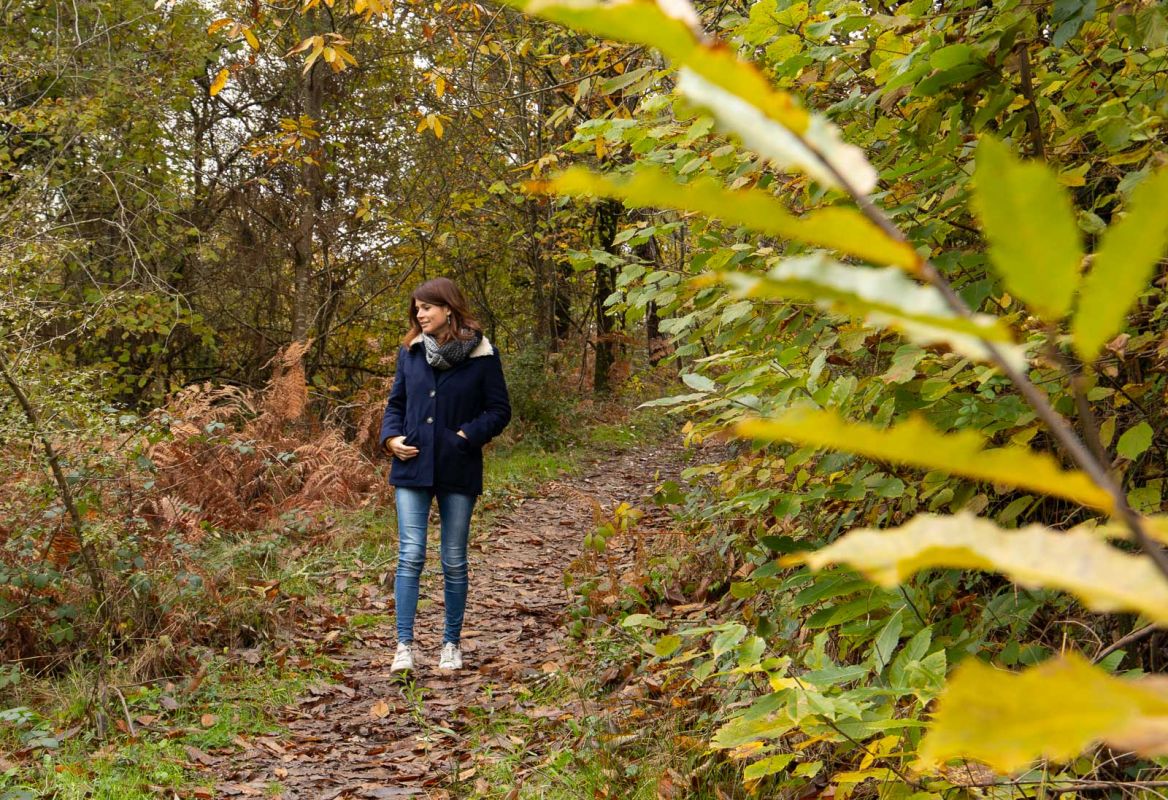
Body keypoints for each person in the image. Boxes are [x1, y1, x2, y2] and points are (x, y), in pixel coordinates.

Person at [379, 277, 511, 673]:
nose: (419, 315)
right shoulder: (411, 353)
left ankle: (451, 643)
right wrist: (390, 439)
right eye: (416, 309)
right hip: (412, 463)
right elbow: (396, 403)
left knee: (453, 559)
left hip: (458, 464)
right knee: (410, 554)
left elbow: (499, 410)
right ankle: (404, 645)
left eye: (426, 308)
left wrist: (465, 436)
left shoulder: (483, 355)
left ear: (448, 309)